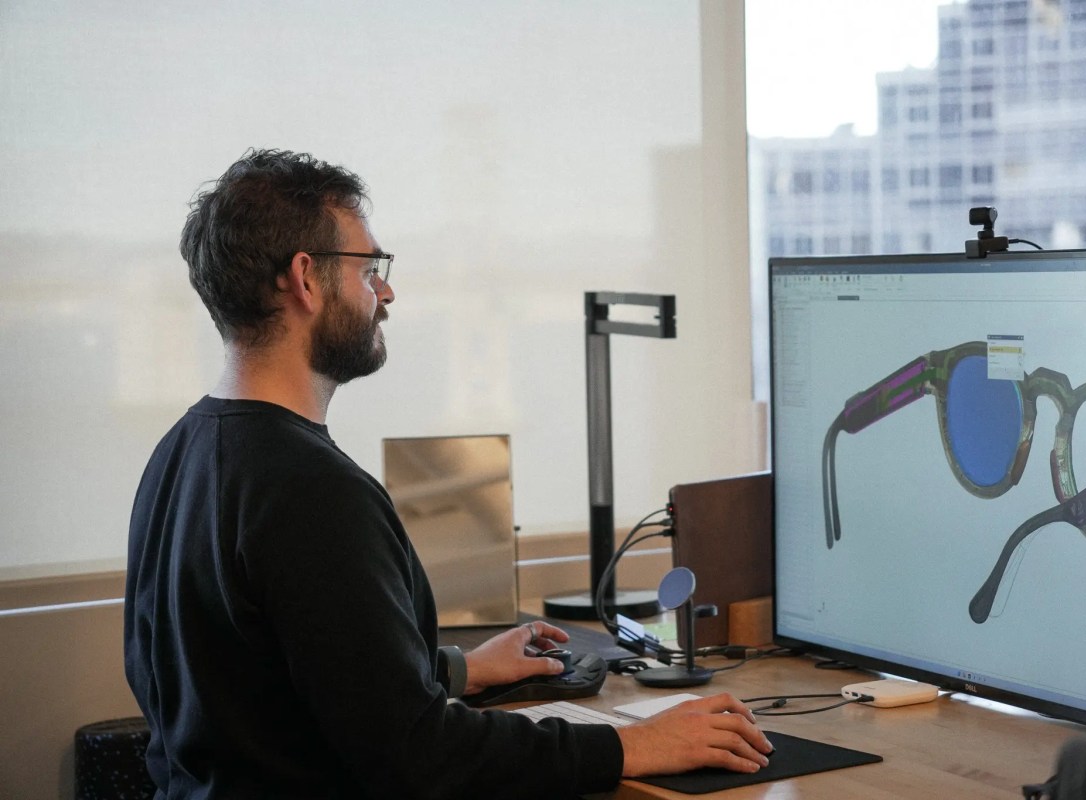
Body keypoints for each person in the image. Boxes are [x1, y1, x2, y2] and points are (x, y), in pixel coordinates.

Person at [124, 148, 773, 799]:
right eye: (369, 269)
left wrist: (459, 670)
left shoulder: (180, 453)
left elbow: (270, 685)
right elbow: (420, 756)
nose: (386, 292)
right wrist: (631, 743)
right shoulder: (312, 492)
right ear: (306, 279)